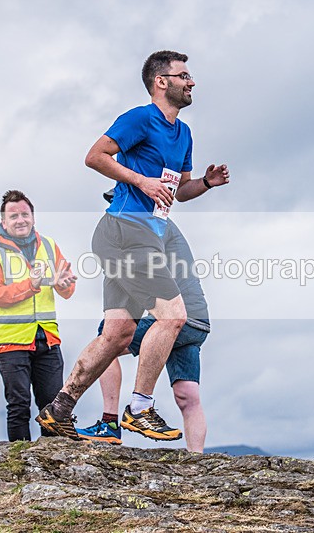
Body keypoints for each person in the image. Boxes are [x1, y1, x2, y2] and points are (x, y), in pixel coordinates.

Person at [36, 50, 229, 441]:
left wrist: (205, 184)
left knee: (119, 334)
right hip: (126, 230)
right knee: (173, 316)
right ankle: (139, 408)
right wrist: (140, 181)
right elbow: (95, 156)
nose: (192, 83)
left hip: (142, 234)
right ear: (162, 81)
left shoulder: (184, 133)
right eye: (184, 76)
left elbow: (178, 190)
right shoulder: (140, 118)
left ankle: (60, 408)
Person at [77, 214, 211, 452]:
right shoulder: (164, 226)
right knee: (187, 394)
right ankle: (197, 459)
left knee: (108, 341)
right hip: (198, 320)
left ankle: (109, 424)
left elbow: (141, 270)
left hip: (176, 317)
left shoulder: (147, 224)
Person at [0, 190, 77, 441]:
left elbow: (67, 290)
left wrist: (63, 284)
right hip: (10, 340)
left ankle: (56, 462)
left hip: (48, 338)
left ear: (33, 217)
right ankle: (18, 463)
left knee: (54, 408)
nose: (20, 220)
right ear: (3, 222)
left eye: (25, 214)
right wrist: (30, 285)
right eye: (14, 216)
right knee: (19, 405)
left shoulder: (50, 246)